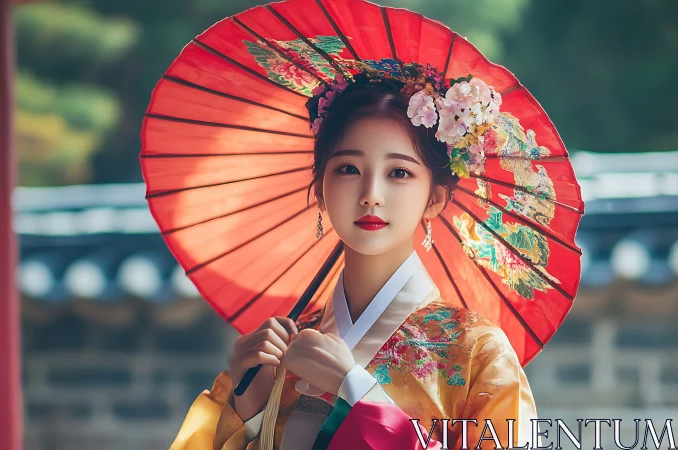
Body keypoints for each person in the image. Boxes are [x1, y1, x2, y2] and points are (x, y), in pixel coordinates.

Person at [167, 76, 539, 450]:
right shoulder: (278, 353)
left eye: (399, 173)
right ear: (321, 190)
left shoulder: (476, 353)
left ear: (435, 198)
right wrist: (249, 411)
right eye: (348, 169)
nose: (370, 195)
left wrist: (357, 392)